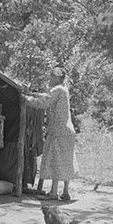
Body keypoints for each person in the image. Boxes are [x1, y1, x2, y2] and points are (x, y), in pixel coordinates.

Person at [24, 66, 78, 201]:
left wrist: (27, 99)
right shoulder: (64, 89)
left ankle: (54, 192)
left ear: (58, 78)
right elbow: (47, 96)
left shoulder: (58, 89)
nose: (50, 78)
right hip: (67, 130)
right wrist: (33, 94)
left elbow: (45, 102)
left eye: (52, 76)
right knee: (66, 160)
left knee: (56, 159)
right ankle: (65, 192)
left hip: (58, 131)